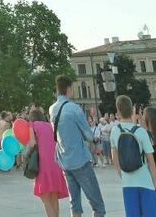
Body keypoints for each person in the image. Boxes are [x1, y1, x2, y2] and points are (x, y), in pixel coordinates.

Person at [50, 75, 106, 217]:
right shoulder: (74, 108)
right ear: (69, 89)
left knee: (74, 203)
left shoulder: (52, 109)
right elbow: (87, 133)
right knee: (97, 204)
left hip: (64, 160)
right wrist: (96, 143)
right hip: (79, 160)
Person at [108, 97, 156, 217]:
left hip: (128, 183)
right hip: (145, 181)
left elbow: (114, 158)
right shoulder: (141, 132)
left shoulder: (115, 131)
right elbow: (151, 162)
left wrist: (121, 174)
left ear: (118, 112)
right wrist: (155, 185)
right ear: (132, 110)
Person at [26, 107, 69, 217]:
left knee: (45, 195)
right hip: (55, 162)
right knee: (53, 195)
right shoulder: (50, 125)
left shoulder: (32, 125)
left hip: (43, 163)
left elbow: (32, 143)